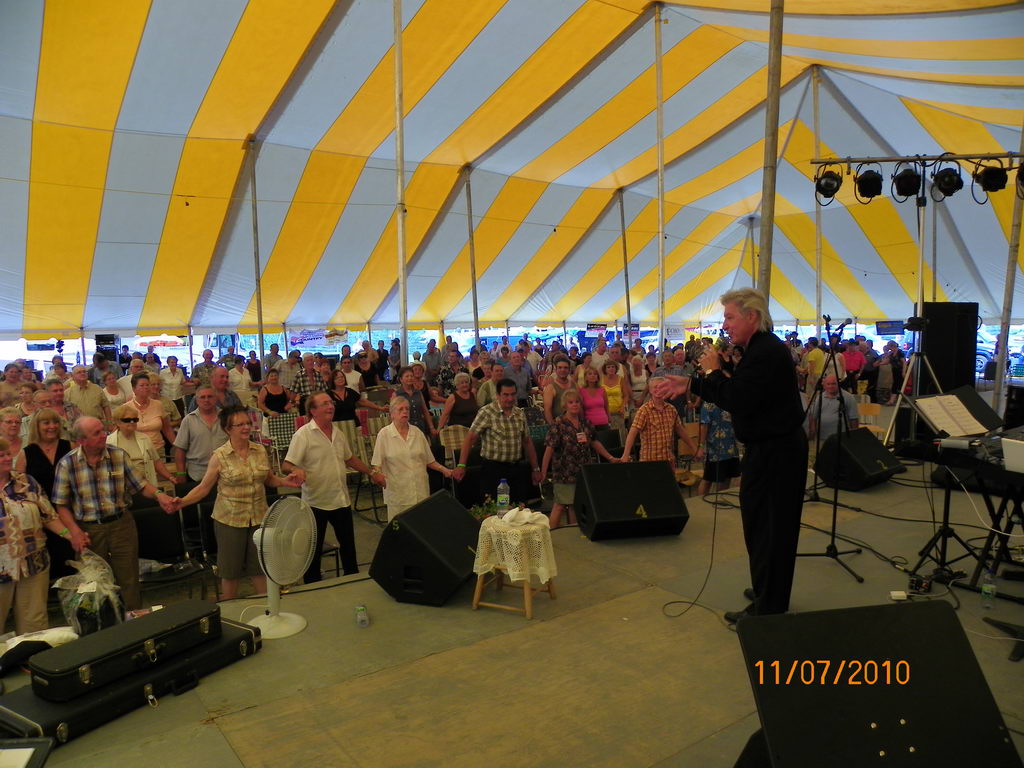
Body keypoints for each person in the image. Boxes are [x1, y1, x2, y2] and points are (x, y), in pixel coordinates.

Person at [651, 288, 807, 623]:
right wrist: (689, 384)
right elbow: (737, 390)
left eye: (730, 317)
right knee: (760, 524)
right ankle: (768, 590)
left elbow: (737, 398)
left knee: (770, 528)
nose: (725, 325)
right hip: (769, 449)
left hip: (777, 451)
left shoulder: (766, 352)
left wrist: (709, 373)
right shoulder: (759, 349)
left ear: (752, 316)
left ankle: (769, 606)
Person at [174, 407, 301, 599]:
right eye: (240, 424)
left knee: (259, 567)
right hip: (230, 521)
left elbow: (269, 479)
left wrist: (284, 481)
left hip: (259, 518)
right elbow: (203, 488)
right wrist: (182, 502)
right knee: (230, 571)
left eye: (248, 423)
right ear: (228, 429)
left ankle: (267, 608)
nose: (246, 427)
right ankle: (231, 608)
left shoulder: (260, 450)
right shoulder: (219, 456)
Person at [52, 417, 177, 610]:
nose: (104, 435)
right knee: (95, 584)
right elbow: (61, 505)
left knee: (129, 579)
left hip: (121, 525)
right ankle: (103, 623)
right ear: (82, 440)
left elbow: (140, 485)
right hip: (89, 530)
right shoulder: (67, 464)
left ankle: (133, 620)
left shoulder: (118, 455)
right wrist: (74, 532)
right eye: (97, 433)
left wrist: (160, 495)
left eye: (103, 430)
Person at [282, 394, 382, 582]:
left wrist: (371, 472)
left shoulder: (338, 433)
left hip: (340, 499)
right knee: (313, 551)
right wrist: (296, 469)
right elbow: (286, 464)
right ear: (313, 410)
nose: (331, 406)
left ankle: (351, 580)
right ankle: (313, 586)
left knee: (349, 547)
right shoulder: (303, 435)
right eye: (325, 404)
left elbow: (349, 459)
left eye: (331, 403)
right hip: (315, 502)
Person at [0, 437, 69, 634]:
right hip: (2, 567)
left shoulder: (26, 482)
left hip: (33, 564)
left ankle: (33, 655)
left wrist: (70, 535)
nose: (7, 458)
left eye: (8, 454)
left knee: (35, 626)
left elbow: (48, 516)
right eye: (1, 455)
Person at [453, 379, 542, 505]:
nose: (510, 398)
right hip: (493, 471)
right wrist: (461, 465)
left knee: (518, 507)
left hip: (516, 469)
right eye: (506, 395)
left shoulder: (519, 413)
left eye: (513, 394)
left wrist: (535, 468)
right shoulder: (486, 412)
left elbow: (527, 442)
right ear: (498, 395)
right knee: (497, 508)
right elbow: (470, 439)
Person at [540, 390, 619, 529]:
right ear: (564, 405)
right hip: (564, 472)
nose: (574, 405)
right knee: (559, 505)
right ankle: (549, 533)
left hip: (582, 471)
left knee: (574, 505)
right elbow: (549, 449)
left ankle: (573, 534)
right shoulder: (558, 423)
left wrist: (610, 457)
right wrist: (543, 471)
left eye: (577, 402)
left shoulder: (585, 422)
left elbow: (594, 442)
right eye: (571, 402)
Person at [372, 398, 451, 521]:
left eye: (407, 409)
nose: (405, 412)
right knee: (400, 530)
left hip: (420, 491)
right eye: (400, 409)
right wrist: (377, 475)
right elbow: (377, 464)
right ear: (392, 414)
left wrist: (445, 470)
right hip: (398, 495)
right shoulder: (384, 434)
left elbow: (429, 460)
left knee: (422, 526)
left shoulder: (417, 433)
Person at [620, 382, 697, 465]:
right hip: (649, 461)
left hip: (668, 460)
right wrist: (625, 455)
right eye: (655, 387)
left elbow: (681, 431)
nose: (658, 390)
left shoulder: (671, 409)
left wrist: (694, 448)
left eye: (661, 387)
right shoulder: (644, 410)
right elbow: (632, 433)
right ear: (650, 390)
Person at [107, 404, 175, 487]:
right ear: (118, 422)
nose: (132, 422)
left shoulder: (145, 438)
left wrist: (170, 477)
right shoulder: (108, 442)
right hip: (122, 486)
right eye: (127, 420)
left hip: (146, 485)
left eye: (135, 419)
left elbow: (156, 461)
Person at [173, 387, 228, 485]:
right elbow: (180, 449)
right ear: (197, 400)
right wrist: (181, 473)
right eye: (202, 397)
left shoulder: (227, 418)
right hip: (197, 475)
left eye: (210, 396)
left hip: (225, 473)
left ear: (216, 398)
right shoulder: (188, 420)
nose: (206, 400)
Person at [17, 408, 72, 498]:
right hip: (40, 504)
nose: (52, 426)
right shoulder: (26, 454)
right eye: (46, 423)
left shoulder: (70, 447)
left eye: (56, 422)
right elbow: (20, 488)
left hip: (70, 503)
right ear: (37, 427)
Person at [128, 373, 175, 456]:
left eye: (147, 385)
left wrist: (177, 446)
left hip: (158, 450)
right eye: (142, 385)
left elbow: (167, 429)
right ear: (134, 389)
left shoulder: (158, 405)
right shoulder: (127, 408)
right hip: (136, 452)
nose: (146, 387)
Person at [808, 374, 859, 442]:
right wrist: (813, 431)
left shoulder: (848, 397)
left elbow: (854, 418)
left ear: (838, 384)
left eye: (833, 384)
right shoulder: (820, 397)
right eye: (828, 384)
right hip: (822, 437)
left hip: (842, 438)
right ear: (824, 385)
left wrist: (855, 436)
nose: (831, 386)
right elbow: (814, 416)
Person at [256, 369, 296, 452]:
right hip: (269, 419)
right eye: (272, 376)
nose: (274, 377)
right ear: (268, 378)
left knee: (287, 439)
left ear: (278, 377)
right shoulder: (264, 389)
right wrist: (269, 411)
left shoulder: (283, 388)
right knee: (271, 442)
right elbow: (260, 404)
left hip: (283, 419)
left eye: (275, 375)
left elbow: (291, 399)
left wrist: (289, 404)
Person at [391, 366, 436, 439]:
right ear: (401, 379)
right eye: (407, 376)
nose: (410, 378)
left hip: (420, 427)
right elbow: (393, 414)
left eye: (411, 376)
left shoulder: (418, 392)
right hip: (404, 429)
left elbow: (425, 411)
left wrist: (431, 427)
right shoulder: (396, 394)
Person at [542, 356, 576, 425]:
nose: (563, 370)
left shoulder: (574, 385)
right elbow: (547, 411)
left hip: (575, 423)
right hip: (559, 425)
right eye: (560, 367)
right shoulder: (550, 388)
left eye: (565, 368)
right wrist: (553, 426)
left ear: (569, 370)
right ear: (556, 370)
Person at [601, 360, 628, 441]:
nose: (611, 369)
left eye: (613, 367)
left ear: (616, 369)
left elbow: (626, 395)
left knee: (620, 434)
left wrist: (623, 407)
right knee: (607, 435)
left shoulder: (621, 379)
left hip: (618, 411)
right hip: (605, 412)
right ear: (605, 369)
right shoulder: (600, 380)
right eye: (608, 367)